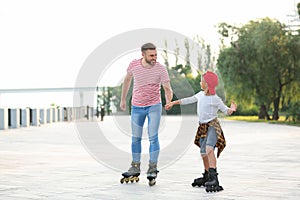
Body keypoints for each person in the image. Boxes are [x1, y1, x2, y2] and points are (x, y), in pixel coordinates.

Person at [165, 71, 237, 192]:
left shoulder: (215, 99)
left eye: (201, 81)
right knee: (203, 153)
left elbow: (226, 111)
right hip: (202, 127)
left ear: (207, 83)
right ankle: (207, 175)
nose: (200, 82)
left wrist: (232, 109)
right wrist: (173, 103)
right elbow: (188, 100)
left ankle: (214, 178)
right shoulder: (200, 94)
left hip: (213, 127)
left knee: (209, 149)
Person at [120, 42, 173, 186]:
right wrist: (123, 99)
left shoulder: (161, 69)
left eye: (156, 55)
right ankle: (135, 166)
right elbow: (127, 80)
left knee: (153, 137)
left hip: (154, 106)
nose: (154, 57)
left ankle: (152, 167)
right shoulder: (134, 65)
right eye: (151, 55)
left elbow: (168, 88)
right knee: (135, 138)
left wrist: (168, 100)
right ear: (143, 54)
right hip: (136, 107)